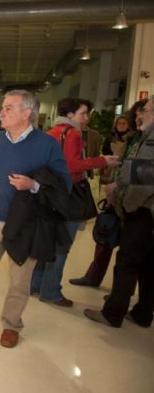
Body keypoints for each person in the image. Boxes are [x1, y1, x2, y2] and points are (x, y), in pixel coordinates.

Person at [0, 90, 71, 348]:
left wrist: (33, 185)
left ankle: (11, 324)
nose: (1, 113)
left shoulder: (47, 145)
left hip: (26, 225)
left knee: (20, 281)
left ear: (27, 113)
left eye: (8, 108)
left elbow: (64, 185)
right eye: (3, 108)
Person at [30, 98, 119, 306]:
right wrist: (102, 161)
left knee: (48, 241)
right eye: (83, 113)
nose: (86, 118)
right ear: (70, 114)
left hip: (49, 193)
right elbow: (71, 165)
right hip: (68, 195)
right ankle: (51, 291)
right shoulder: (74, 134)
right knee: (62, 245)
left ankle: (35, 285)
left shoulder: (52, 132)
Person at [85, 96, 154, 328]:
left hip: (143, 212)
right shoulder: (144, 138)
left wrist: (127, 206)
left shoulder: (150, 142)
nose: (139, 115)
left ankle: (113, 313)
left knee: (127, 262)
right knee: (147, 265)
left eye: (144, 110)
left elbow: (142, 184)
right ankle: (143, 313)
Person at [70, 100, 145, 288]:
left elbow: (138, 173)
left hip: (135, 200)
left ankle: (122, 293)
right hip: (117, 194)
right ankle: (94, 277)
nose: (138, 118)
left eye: (142, 113)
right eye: (136, 115)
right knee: (105, 237)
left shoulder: (144, 141)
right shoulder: (131, 139)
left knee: (129, 249)